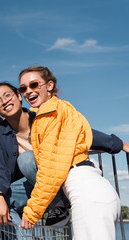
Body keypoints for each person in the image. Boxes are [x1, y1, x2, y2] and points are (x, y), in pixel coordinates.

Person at [0, 81, 129, 228]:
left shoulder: (43, 116)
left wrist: (120, 144)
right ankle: (27, 236)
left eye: (7, 95)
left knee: (27, 159)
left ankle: (59, 206)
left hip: (58, 179)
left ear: (19, 96)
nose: (4, 101)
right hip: (37, 186)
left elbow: (81, 133)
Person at [18, 66, 121, 240]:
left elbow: (51, 170)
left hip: (87, 195)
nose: (29, 91)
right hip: (91, 191)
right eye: (23, 88)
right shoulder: (57, 111)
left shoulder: (52, 114)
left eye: (34, 84)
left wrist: (32, 211)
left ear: (49, 86)